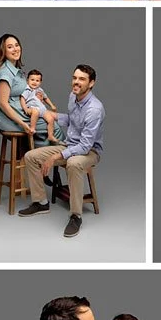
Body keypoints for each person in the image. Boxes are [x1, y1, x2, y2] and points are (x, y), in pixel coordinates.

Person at [20, 64, 104, 239]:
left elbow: (85, 146)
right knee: (30, 156)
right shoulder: (73, 96)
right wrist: (54, 115)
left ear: (91, 83)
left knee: (73, 163)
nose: (76, 82)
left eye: (82, 79)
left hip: (89, 152)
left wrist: (57, 156)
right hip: (69, 145)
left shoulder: (94, 109)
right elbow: (72, 120)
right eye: (74, 77)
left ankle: (76, 216)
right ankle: (41, 202)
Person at [0, 33, 64, 147]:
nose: (15, 49)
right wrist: (22, 124)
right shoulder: (5, 73)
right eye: (10, 47)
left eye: (17, 45)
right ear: (3, 51)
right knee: (55, 127)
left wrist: (35, 99)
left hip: (24, 112)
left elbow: (24, 93)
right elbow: (3, 105)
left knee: (54, 119)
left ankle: (32, 159)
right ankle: (48, 159)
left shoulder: (16, 71)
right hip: (12, 118)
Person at [20, 69, 58, 142]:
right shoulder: (27, 90)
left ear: (40, 82)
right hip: (32, 108)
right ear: (28, 80)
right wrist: (25, 109)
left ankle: (50, 135)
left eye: (37, 81)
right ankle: (32, 128)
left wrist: (52, 105)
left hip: (42, 109)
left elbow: (46, 98)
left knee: (51, 119)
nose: (34, 82)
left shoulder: (40, 90)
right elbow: (22, 99)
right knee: (35, 112)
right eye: (32, 80)